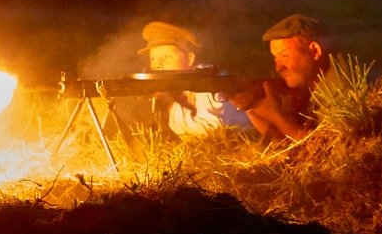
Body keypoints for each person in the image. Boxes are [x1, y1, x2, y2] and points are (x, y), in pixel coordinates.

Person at [238, 13, 345, 142]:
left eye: (284, 56)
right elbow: (284, 142)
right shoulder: (316, 80)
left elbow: (325, 150)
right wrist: (250, 105)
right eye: (275, 57)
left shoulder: (341, 91)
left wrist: (276, 116)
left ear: (315, 51)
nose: (278, 67)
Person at [137, 21, 227, 137]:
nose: (157, 64)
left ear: (189, 59)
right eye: (153, 58)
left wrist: (169, 104)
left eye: (167, 57)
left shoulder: (208, 81)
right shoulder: (173, 86)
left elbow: (212, 130)